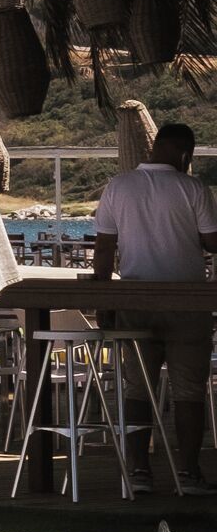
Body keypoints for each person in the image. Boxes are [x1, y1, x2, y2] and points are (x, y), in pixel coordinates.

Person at [91, 122, 217, 473]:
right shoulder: (192, 188)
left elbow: (103, 249)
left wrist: (105, 301)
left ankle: (139, 470)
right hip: (188, 303)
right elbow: (212, 242)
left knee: (137, 389)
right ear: (185, 154)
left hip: (136, 301)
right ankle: (189, 472)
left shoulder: (119, 186)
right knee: (189, 392)